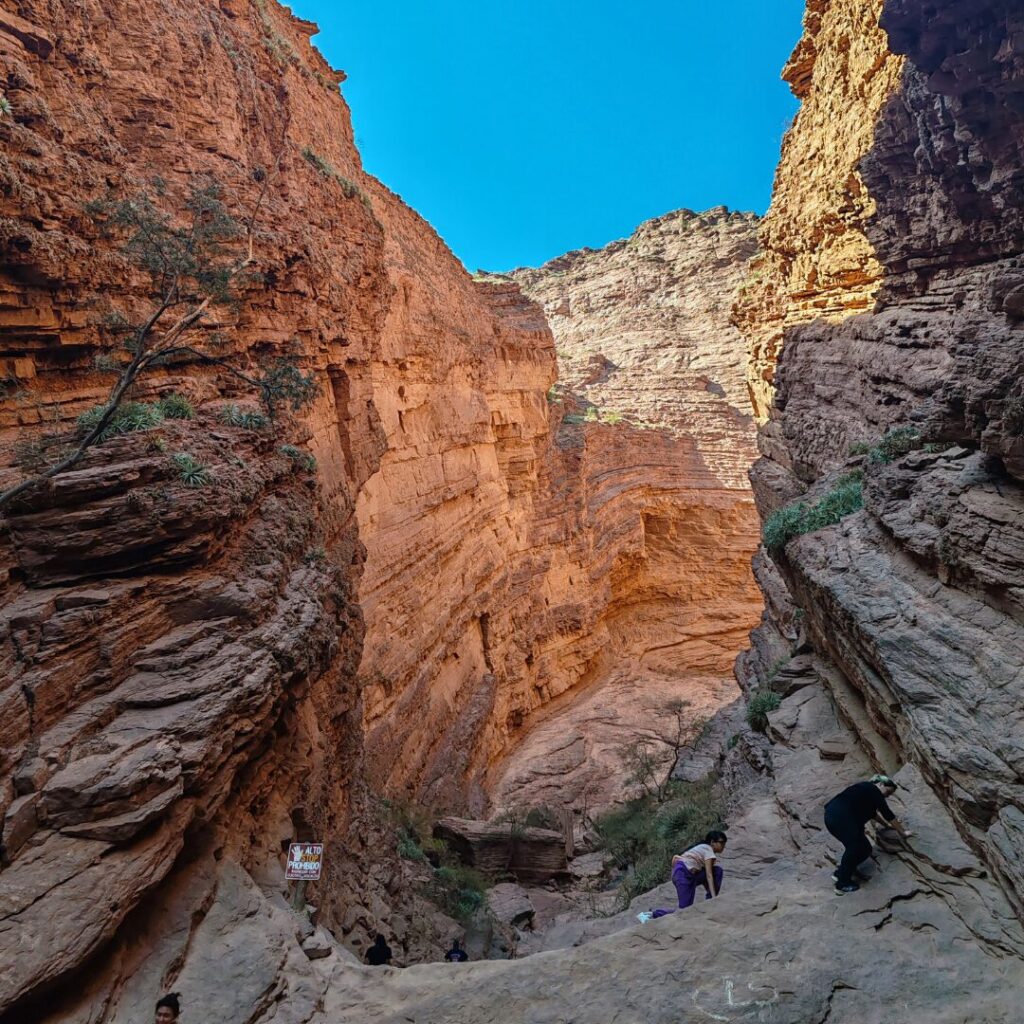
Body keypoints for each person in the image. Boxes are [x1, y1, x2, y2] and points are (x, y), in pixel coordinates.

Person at [824, 774, 913, 895]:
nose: (887, 795)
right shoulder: (871, 788)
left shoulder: (866, 794)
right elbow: (887, 813)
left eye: (890, 794)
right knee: (853, 848)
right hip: (840, 818)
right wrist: (902, 832)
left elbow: (873, 814)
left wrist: (887, 826)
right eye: (888, 791)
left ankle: (841, 873)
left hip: (838, 818)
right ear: (880, 784)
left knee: (865, 849)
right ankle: (842, 884)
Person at [650, 830, 727, 917]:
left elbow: (706, 877)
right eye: (721, 842)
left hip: (690, 875)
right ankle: (652, 914)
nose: (723, 845)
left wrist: (710, 897)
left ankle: (709, 902)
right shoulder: (708, 849)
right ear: (712, 842)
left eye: (724, 843)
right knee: (684, 911)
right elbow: (709, 875)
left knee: (717, 871)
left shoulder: (704, 850)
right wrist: (714, 898)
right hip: (683, 874)